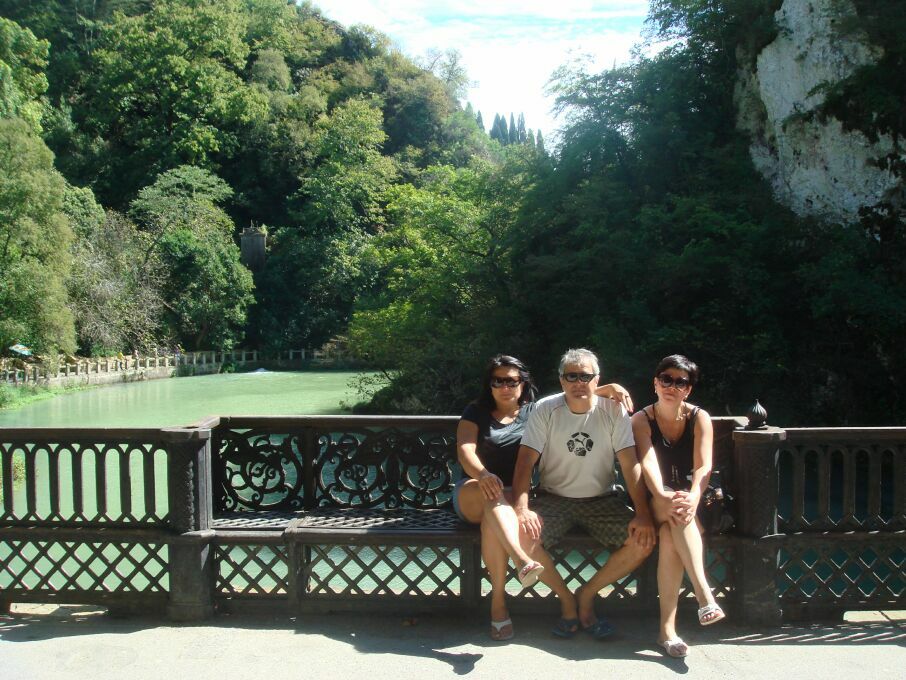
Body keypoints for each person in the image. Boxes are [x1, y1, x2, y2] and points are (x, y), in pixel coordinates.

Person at [455, 353, 632, 641]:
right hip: (474, 489)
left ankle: (498, 604)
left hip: (509, 499)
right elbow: (465, 451)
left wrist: (607, 388)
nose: (505, 386)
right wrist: (483, 474)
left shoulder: (533, 411)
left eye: (512, 381)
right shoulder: (475, 411)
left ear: (523, 383)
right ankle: (521, 559)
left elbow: (576, 393)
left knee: (496, 519)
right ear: (489, 384)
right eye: (498, 381)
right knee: (494, 498)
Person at [512, 348, 655, 639]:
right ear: (561, 380)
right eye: (571, 376)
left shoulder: (613, 410)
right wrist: (521, 508)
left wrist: (642, 513)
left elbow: (630, 464)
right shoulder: (545, 409)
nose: (579, 382)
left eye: (585, 376)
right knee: (520, 538)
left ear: (597, 379)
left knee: (643, 541)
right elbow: (525, 462)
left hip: (602, 500)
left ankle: (587, 594)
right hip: (553, 499)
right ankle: (567, 601)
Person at [632, 354, 725, 658]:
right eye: (666, 379)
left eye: (680, 382)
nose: (672, 386)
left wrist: (695, 495)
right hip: (658, 499)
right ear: (655, 383)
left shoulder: (699, 417)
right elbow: (647, 461)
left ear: (688, 389)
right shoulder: (641, 420)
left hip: (694, 500)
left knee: (672, 532)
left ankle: (667, 632)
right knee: (675, 509)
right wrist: (661, 493)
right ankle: (704, 595)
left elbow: (704, 465)